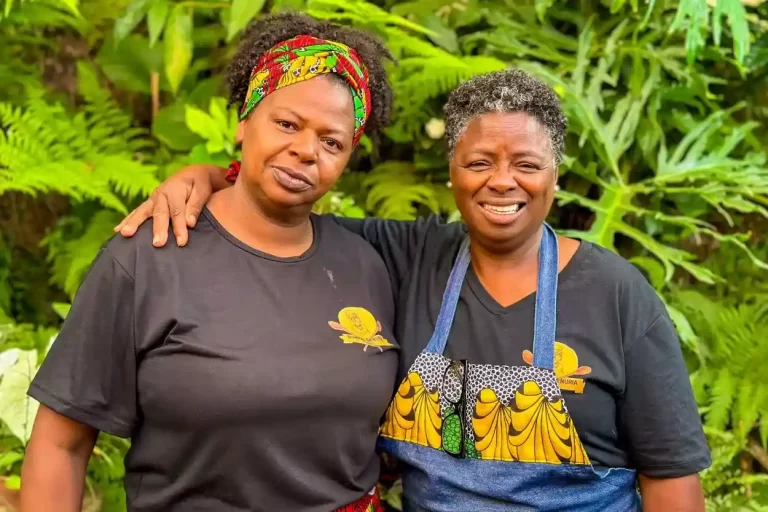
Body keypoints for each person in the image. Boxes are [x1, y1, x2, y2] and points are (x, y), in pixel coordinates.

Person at [117, 69, 711, 510]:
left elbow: (672, 475)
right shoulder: (408, 256)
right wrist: (205, 176)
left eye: (527, 164)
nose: (502, 181)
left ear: (556, 176)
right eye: (480, 161)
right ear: (451, 171)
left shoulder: (615, 294)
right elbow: (279, 208)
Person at [21, 13, 400, 512]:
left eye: (332, 141)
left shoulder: (368, 263)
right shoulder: (151, 254)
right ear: (244, 121)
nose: (306, 150)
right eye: (286, 124)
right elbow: (60, 445)